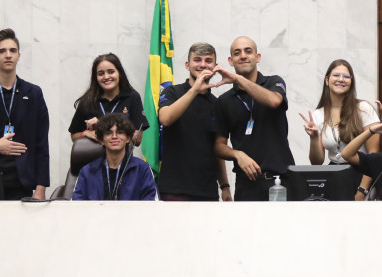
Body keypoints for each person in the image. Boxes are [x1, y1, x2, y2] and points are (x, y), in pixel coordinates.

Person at [0, 28, 50, 200]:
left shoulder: (34, 94)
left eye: (13, 50)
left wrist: (40, 189)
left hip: (22, 184)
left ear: (19, 56)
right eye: (2, 51)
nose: (8, 55)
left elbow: (42, 145)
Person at [212, 37, 295, 201]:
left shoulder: (274, 82)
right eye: (237, 53)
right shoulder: (224, 101)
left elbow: (273, 101)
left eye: (248, 51)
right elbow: (217, 146)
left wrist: (238, 79)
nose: (243, 56)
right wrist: (237, 155)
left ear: (258, 57)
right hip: (246, 185)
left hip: (280, 181)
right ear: (231, 61)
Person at [157, 42, 232, 201]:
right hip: (174, 189)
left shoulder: (217, 103)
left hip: (207, 191)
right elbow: (165, 118)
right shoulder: (172, 92)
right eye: (197, 60)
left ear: (215, 66)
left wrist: (224, 186)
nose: (203, 64)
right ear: (187, 65)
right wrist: (194, 90)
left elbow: (217, 148)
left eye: (208, 60)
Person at [300, 59, 380, 201]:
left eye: (346, 76)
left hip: (361, 174)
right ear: (327, 80)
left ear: (351, 81)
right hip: (333, 174)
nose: (341, 80)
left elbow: (374, 156)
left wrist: (362, 190)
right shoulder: (318, 114)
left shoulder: (364, 109)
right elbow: (317, 162)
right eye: (336, 75)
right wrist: (313, 137)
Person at [72, 113, 157, 201]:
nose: (114, 136)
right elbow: (75, 206)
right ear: (101, 140)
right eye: (109, 133)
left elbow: (153, 206)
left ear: (128, 138)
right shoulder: (87, 171)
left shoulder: (142, 169)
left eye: (120, 132)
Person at [69, 53, 149, 146]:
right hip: (93, 159)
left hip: (122, 159)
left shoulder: (132, 97)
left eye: (111, 72)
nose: (106, 77)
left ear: (119, 73)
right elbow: (74, 136)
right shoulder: (88, 100)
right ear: (96, 77)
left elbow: (137, 139)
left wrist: (103, 126)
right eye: (101, 73)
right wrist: (85, 133)